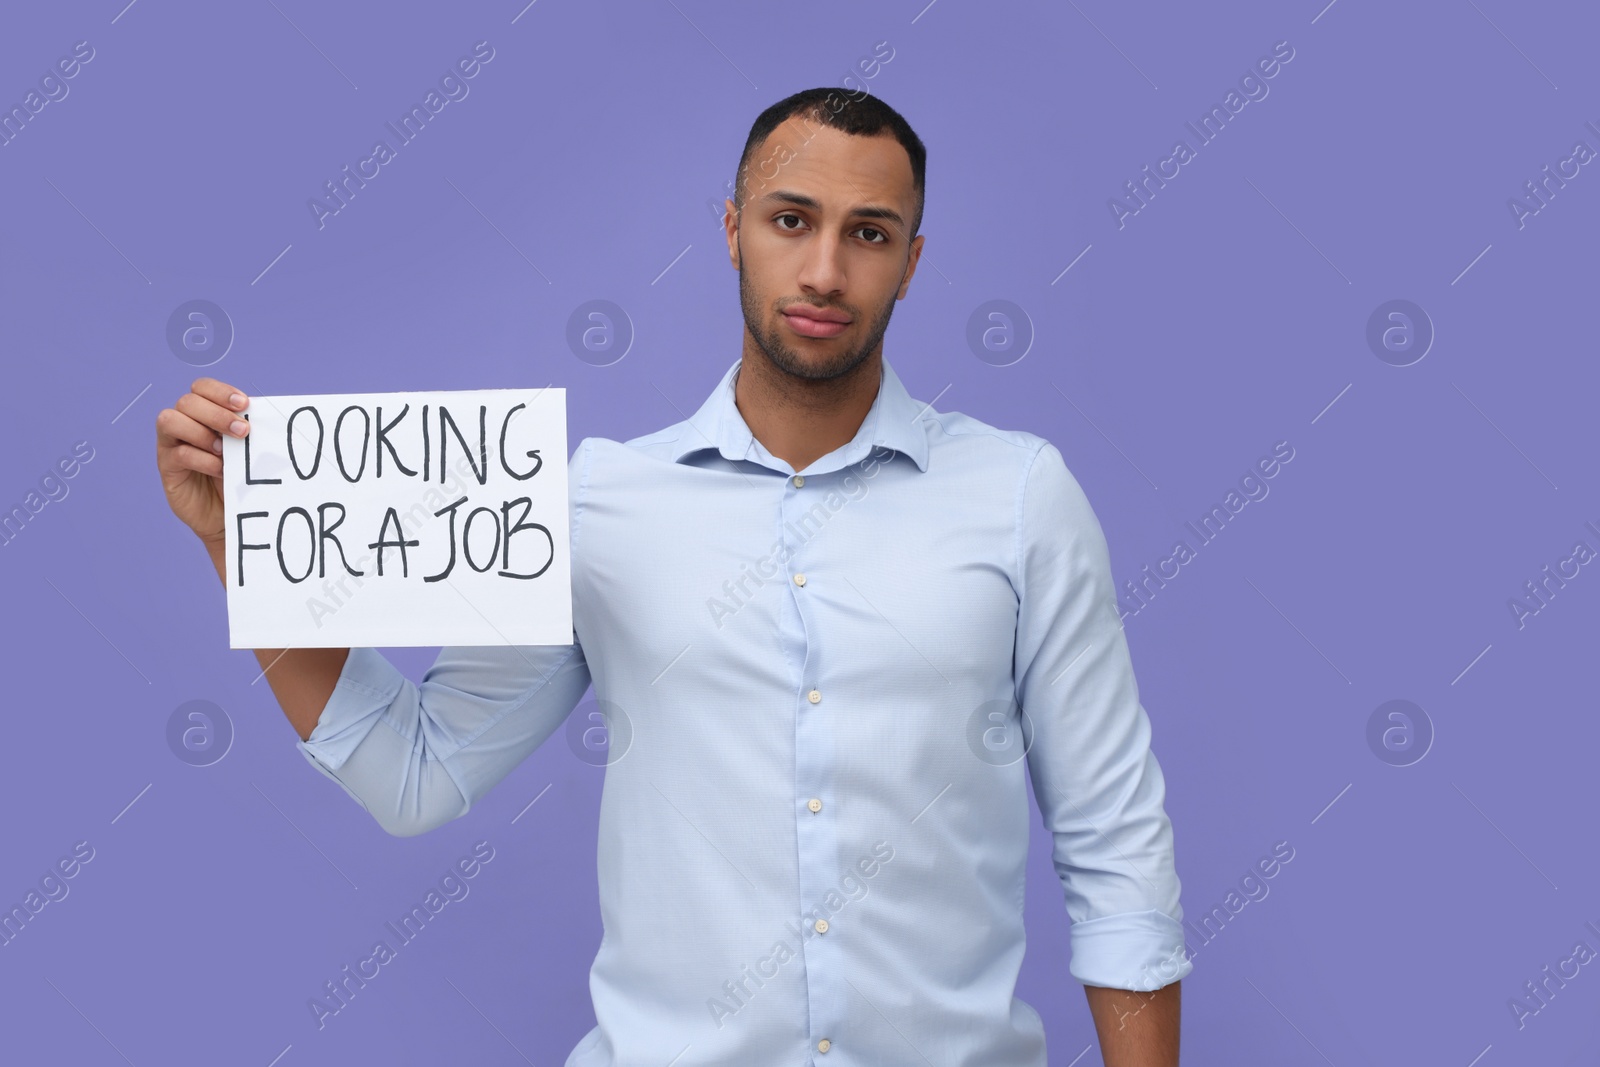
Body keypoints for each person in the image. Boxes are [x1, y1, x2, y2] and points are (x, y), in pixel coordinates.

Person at [155, 87, 1189, 1066]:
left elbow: (1114, 839)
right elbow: (413, 769)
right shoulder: (596, 501)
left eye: (867, 233)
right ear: (732, 228)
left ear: (911, 262)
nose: (825, 270)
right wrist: (240, 547)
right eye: (792, 220)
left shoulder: (1017, 494)